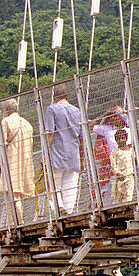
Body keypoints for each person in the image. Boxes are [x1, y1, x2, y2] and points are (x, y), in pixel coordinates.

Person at [44, 83, 84, 215]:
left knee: (55, 184)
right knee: (70, 187)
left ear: (54, 97)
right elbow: (81, 138)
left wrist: (44, 154)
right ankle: (69, 211)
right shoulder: (77, 111)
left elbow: (50, 132)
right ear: (67, 96)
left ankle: (59, 208)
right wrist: (82, 158)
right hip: (73, 155)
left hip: (57, 154)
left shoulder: (52, 109)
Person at [0, 98, 36, 223]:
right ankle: (19, 221)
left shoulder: (6, 122)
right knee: (19, 195)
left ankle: (16, 223)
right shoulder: (27, 124)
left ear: (7, 110)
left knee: (12, 195)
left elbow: (0, 144)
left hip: (11, 162)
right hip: (25, 162)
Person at [111, 128, 136, 204]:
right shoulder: (115, 152)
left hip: (129, 176)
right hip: (120, 178)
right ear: (116, 141)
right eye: (118, 139)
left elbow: (135, 161)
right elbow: (113, 165)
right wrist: (117, 173)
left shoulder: (131, 150)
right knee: (118, 198)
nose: (121, 140)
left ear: (126, 138)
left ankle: (128, 210)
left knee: (128, 195)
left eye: (123, 138)